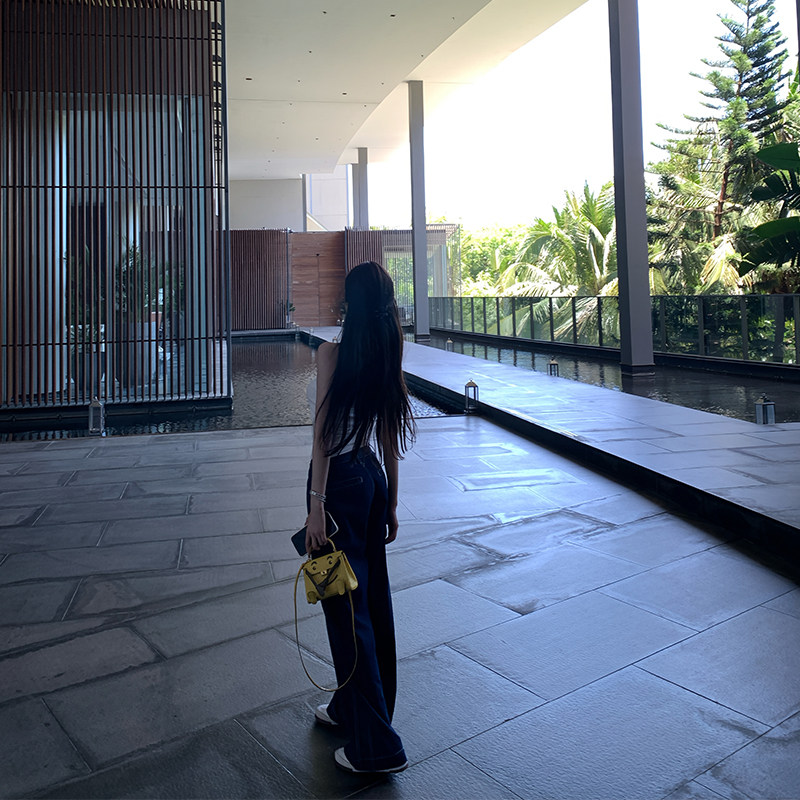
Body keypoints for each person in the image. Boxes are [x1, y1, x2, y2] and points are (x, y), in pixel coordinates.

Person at [304, 260, 415, 775]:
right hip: (370, 480)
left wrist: (316, 505)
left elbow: (324, 434)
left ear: (349, 303)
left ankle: (377, 746)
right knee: (369, 603)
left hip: (339, 485)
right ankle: (353, 708)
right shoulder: (387, 349)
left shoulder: (333, 352)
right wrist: (391, 500)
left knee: (345, 613)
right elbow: (389, 430)